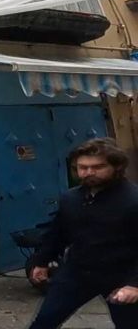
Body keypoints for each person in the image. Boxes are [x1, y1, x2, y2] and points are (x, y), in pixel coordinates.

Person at [27, 138, 138, 329]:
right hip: (78, 272)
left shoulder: (133, 200)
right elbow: (57, 233)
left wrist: (134, 284)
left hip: (122, 275)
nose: (88, 173)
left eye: (97, 167)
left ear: (117, 167)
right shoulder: (71, 198)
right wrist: (41, 261)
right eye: (82, 167)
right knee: (44, 322)